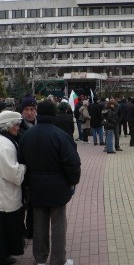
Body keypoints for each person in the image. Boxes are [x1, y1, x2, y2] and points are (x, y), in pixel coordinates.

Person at [19, 100, 81, 265]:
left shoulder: (27, 136)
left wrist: (26, 183)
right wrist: (73, 181)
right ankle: (58, 260)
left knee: (39, 225)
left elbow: (21, 162)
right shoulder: (61, 135)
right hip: (58, 187)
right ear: (54, 114)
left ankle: (40, 259)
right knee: (59, 226)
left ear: (38, 113)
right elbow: (72, 162)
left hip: (35, 187)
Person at [0, 111, 26, 265]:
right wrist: (23, 167)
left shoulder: (6, 141)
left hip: (5, 194)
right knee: (4, 230)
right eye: (16, 125)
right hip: (5, 195)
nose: (18, 128)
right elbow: (13, 174)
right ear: (7, 127)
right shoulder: (5, 146)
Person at [17, 94, 37, 240]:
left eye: (32, 109)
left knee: (33, 206)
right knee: (21, 206)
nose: (29, 112)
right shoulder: (17, 128)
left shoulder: (40, 125)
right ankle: (20, 231)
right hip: (21, 174)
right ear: (22, 111)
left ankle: (31, 231)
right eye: (26, 109)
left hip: (36, 175)